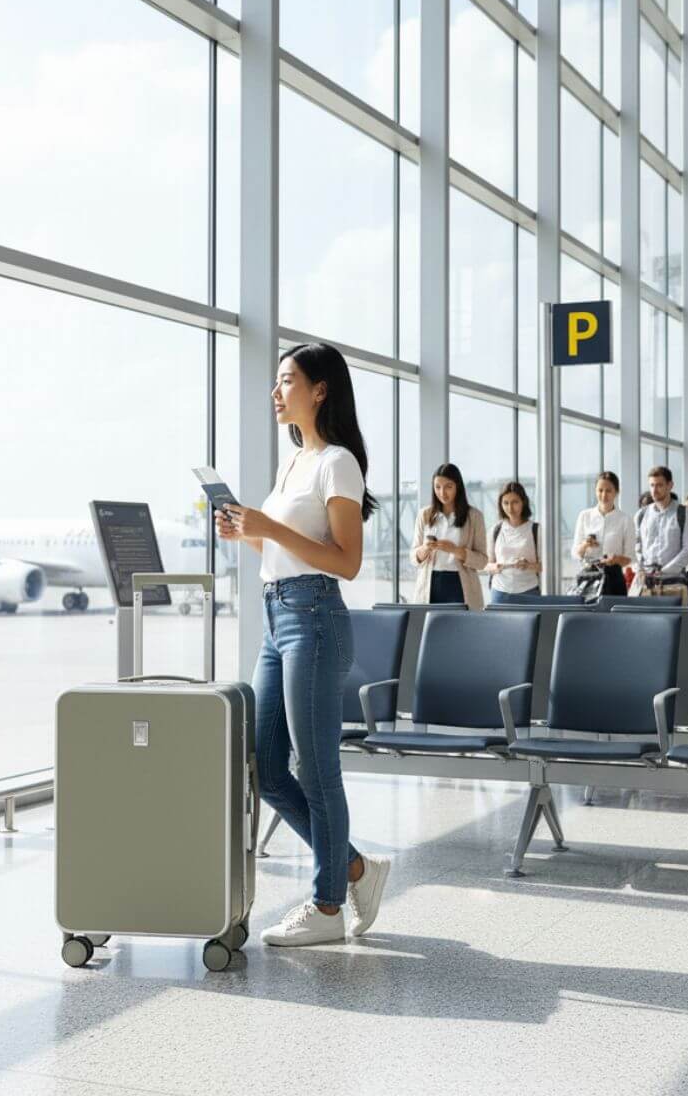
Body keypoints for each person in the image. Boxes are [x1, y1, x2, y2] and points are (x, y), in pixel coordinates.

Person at [217, 342, 389, 948]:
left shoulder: (337, 463)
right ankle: (356, 869)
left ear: (319, 390)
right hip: (277, 615)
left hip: (314, 618)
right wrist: (250, 535)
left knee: (316, 770)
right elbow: (285, 552)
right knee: (265, 765)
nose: (276, 390)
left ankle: (326, 904)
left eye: (287, 380)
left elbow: (345, 562)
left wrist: (269, 526)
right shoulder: (293, 463)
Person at [410, 463, 488, 610]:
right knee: (431, 631)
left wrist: (455, 550)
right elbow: (413, 557)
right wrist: (425, 549)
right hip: (430, 584)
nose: (442, 492)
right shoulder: (424, 515)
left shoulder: (474, 516)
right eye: (437, 487)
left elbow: (482, 561)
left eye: (448, 487)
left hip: (460, 584)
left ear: (458, 487)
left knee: (461, 631)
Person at [632, 466, 688, 595]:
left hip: (674, 583)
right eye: (651, 485)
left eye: (659, 485)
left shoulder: (684, 513)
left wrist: (663, 571)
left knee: (674, 616)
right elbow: (637, 548)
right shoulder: (641, 515)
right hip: (645, 583)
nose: (654, 490)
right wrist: (642, 569)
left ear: (670, 485)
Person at [571, 471, 636, 598]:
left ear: (616, 492)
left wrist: (616, 559)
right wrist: (585, 545)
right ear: (595, 491)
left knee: (615, 617)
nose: (604, 495)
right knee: (588, 616)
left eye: (608, 490)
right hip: (589, 578)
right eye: (600, 490)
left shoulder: (625, 520)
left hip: (614, 579)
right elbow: (575, 553)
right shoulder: (585, 516)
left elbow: (631, 558)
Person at [487, 481, 542, 603]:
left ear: (523, 502)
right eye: (505, 503)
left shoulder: (536, 530)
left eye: (515, 502)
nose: (510, 508)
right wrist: (495, 567)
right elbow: (487, 564)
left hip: (529, 591)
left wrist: (528, 565)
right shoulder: (495, 530)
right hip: (500, 592)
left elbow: (544, 566)